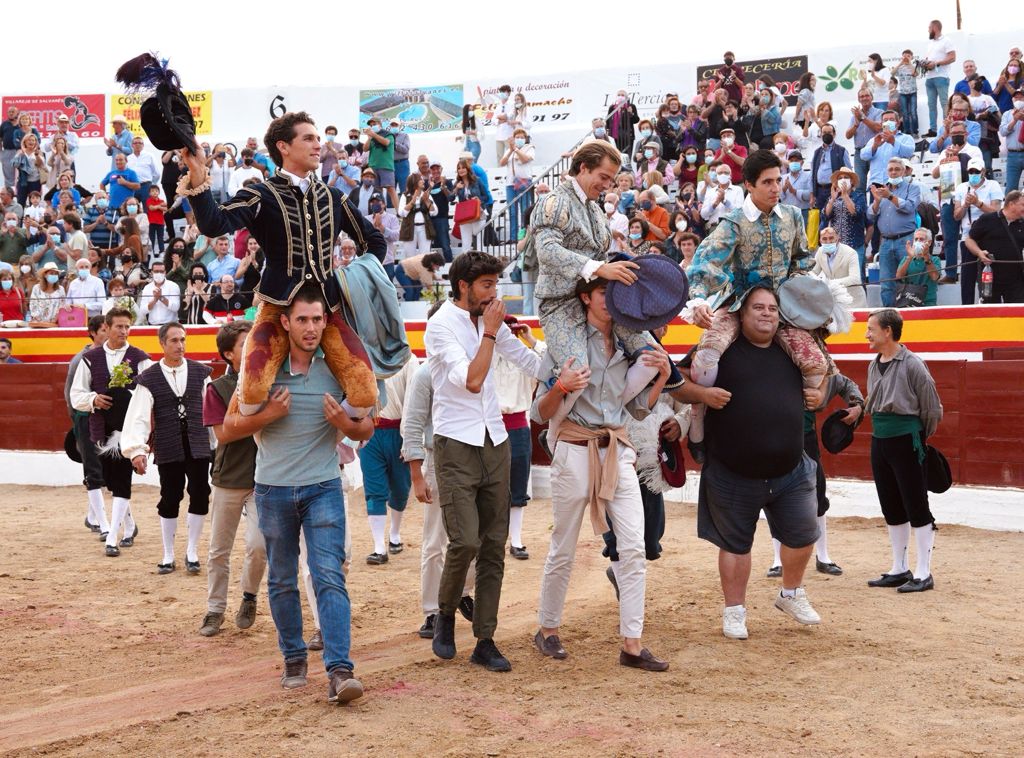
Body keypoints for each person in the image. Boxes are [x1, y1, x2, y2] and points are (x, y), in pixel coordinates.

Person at [222, 285, 373, 702]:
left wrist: (345, 423)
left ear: (326, 322)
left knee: (329, 575)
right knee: (282, 579)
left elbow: (367, 427)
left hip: (323, 486)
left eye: (317, 319)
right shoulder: (263, 371)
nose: (310, 328)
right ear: (285, 322)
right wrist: (269, 414)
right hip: (272, 489)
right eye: (302, 319)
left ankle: (340, 670)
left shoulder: (337, 370)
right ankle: (293, 657)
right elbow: (229, 428)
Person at [180, 111, 385, 417]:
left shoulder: (333, 197)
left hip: (326, 310)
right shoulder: (262, 194)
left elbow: (375, 242)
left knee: (365, 393)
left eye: (318, 138)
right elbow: (213, 223)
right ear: (283, 147)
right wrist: (197, 172)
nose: (318, 145)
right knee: (251, 394)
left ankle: (324, 436)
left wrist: (351, 280)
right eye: (309, 138)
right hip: (276, 307)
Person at [532, 276, 672, 669]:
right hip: (574, 448)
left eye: (615, 294)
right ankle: (547, 630)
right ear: (584, 298)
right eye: (602, 293)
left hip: (617, 450)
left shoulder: (630, 346)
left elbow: (637, 410)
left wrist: (662, 377)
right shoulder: (564, 345)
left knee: (634, 547)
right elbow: (538, 413)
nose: (610, 300)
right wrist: (560, 387)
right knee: (564, 546)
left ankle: (632, 644)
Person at [424, 251, 542, 672]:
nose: (495, 294)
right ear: (463, 286)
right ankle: (444, 613)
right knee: (465, 541)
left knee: (494, 544)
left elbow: (529, 362)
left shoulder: (489, 322)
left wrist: (559, 370)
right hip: (455, 442)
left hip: (495, 439)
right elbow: (472, 381)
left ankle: (485, 640)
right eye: (487, 285)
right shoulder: (441, 325)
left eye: (496, 284)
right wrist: (491, 332)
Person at [697, 286, 824, 640]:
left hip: (791, 470)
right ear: (742, 313)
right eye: (758, 307)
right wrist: (703, 394)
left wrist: (820, 394)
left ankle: (790, 593)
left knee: (804, 534)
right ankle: (734, 611)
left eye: (772, 308)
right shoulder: (722, 347)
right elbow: (682, 381)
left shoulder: (793, 348)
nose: (767, 313)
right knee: (735, 544)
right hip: (732, 470)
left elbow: (829, 381)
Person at [686, 151, 825, 463]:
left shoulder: (793, 215)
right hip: (739, 303)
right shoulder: (733, 222)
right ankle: (696, 418)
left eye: (778, 180)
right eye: (767, 182)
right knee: (708, 353)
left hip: (782, 308)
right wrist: (699, 299)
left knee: (816, 364)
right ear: (748, 185)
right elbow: (705, 263)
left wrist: (804, 289)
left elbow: (802, 259)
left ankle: (800, 428)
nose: (776, 188)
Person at [530, 141, 659, 448]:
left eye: (611, 179)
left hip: (599, 300)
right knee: (577, 373)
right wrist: (598, 268)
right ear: (583, 168)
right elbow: (546, 251)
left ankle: (611, 418)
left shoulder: (595, 209)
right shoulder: (554, 202)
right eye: (603, 176)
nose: (606, 185)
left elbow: (604, 259)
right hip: (560, 304)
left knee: (653, 356)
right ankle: (556, 433)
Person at [401, 326, 476, 640]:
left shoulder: (473, 367)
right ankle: (432, 610)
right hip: (438, 458)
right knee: (435, 539)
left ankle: (463, 591)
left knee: (475, 534)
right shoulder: (425, 374)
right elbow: (412, 424)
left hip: (474, 457)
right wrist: (417, 476)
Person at [121, 322, 212, 574]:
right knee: (170, 496)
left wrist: (217, 444)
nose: (180, 345)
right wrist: (137, 450)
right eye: (174, 340)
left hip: (198, 443)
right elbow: (138, 416)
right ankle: (168, 553)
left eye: (183, 340)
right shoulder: (149, 377)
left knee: (200, 493)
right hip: (168, 443)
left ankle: (192, 551)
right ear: (162, 343)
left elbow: (211, 410)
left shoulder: (201, 372)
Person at [864, 308, 943, 593]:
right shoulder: (874, 365)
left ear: (887, 331)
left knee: (915, 503)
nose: (867, 335)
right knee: (891, 505)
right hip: (880, 439)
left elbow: (932, 409)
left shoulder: (913, 364)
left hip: (907, 440)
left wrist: (917, 438)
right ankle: (899, 568)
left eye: (871, 329)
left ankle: (924, 572)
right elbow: (872, 402)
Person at [198, 321, 268, 637]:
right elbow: (223, 434)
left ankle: (249, 596)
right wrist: (268, 416)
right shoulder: (217, 388)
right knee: (219, 549)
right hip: (228, 477)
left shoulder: (269, 380)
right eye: (244, 344)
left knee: (259, 545)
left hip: (264, 477)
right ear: (228, 354)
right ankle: (215, 609)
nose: (252, 347)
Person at [766, 369, 864, 577]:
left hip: (806, 437)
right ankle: (778, 560)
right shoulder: (774, 361)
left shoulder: (817, 366)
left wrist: (857, 406)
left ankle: (823, 556)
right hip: (775, 437)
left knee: (817, 494)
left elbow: (845, 383)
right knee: (774, 495)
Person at [70, 307, 152, 556]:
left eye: (127, 326)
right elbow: (76, 395)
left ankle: (112, 538)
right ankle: (130, 525)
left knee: (122, 479)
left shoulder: (140, 358)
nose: (124, 331)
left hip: (129, 429)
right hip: (101, 427)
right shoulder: (90, 358)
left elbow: (150, 393)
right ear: (106, 327)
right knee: (112, 480)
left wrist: (132, 398)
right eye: (119, 326)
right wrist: (93, 399)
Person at [358, 355, 418, 565]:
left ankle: (394, 533)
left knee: (401, 488)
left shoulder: (408, 360)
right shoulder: (363, 355)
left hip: (398, 431)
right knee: (374, 489)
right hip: (370, 430)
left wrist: (408, 438)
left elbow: (412, 401)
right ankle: (379, 547)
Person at [494, 319, 545, 559]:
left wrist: (531, 339)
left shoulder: (525, 357)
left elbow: (549, 365)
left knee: (518, 484)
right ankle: (495, 538)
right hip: (491, 425)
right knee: (490, 485)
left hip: (517, 425)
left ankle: (516, 539)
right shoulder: (485, 353)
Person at [65, 315, 113, 535]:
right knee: (94, 468)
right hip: (86, 417)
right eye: (103, 330)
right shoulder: (80, 359)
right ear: (93, 333)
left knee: (104, 468)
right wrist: (77, 421)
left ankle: (93, 516)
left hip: (107, 420)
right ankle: (99, 521)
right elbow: (70, 394)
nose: (108, 334)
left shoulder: (111, 355)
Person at [867, 157, 922, 307]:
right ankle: (888, 314)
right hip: (885, 242)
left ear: (903, 171)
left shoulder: (912, 188)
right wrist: (877, 201)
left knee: (909, 279)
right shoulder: (882, 191)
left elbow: (910, 207)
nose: (893, 172)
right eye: (890, 169)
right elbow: (870, 216)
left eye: (897, 169)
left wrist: (890, 197)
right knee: (886, 282)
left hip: (906, 240)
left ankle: (909, 312)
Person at [952, 158, 1004, 302]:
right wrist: (965, 205)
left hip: (989, 236)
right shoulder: (961, 187)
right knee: (967, 277)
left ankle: (990, 306)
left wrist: (978, 203)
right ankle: (967, 307)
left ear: (983, 172)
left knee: (991, 275)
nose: (973, 174)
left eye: (976, 171)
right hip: (968, 236)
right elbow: (956, 216)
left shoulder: (993, 185)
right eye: (971, 171)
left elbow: (997, 212)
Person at [963, 189, 1024, 303]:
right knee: (990, 311)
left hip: (1016, 280)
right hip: (989, 277)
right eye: (1023, 205)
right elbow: (969, 240)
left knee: (1017, 312)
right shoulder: (987, 219)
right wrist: (979, 253)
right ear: (1011, 204)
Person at [823, 167, 869, 280]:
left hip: (855, 245)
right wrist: (832, 199)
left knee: (856, 278)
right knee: (838, 277)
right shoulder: (833, 197)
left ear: (851, 181)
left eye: (846, 177)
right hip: (837, 246)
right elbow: (826, 216)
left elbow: (856, 213)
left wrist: (845, 196)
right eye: (840, 178)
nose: (843, 180)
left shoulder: (859, 196)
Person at [813, 226, 867, 307]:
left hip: (854, 301)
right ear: (820, 240)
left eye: (831, 238)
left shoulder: (851, 253)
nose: (828, 242)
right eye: (824, 239)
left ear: (838, 238)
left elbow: (855, 279)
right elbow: (814, 272)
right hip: (834, 301)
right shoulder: (820, 251)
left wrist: (830, 283)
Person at [922, 20, 957, 137]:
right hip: (930, 77)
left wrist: (936, 63)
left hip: (941, 77)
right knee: (931, 105)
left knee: (944, 104)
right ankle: (933, 130)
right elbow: (930, 59)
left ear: (934, 28)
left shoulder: (946, 40)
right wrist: (925, 64)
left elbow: (953, 57)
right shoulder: (930, 43)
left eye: (929, 28)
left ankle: (946, 129)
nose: (928, 30)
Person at [499, 128, 535, 243]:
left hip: (524, 184)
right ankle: (513, 237)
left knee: (525, 210)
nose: (519, 139)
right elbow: (502, 163)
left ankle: (524, 236)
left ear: (525, 139)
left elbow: (525, 159)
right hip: (510, 184)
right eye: (517, 137)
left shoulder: (529, 148)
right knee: (512, 212)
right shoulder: (509, 150)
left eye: (522, 137)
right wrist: (511, 150)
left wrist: (516, 150)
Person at [894, 228, 942, 306]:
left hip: (927, 302)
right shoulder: (906, 259)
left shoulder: (935, 259)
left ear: (929, 242)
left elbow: (935, 277)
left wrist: (926, 257)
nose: (918, 241)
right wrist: (909, 257)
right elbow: (898, 276)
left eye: (921, 239)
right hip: (908, 301)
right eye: (916, 239)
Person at [810, 124, 852, 212]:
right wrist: (812, 194)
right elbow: (812, 174)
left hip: (836, 190)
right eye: (824, 132)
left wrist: (846, 192)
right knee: (822, 217)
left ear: (834, 134)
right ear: (821, 134)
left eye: (829, 132)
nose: (826, 134)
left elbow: (849, 172)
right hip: (819, 191)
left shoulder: (841, 151)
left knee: (835, 215)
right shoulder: (817, 152)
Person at [452, 159, 487, 255]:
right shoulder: (457, 183)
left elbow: (486, 196)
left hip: (477, 213)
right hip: (465, 216)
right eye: (459, 168)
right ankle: (466, 263)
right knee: (466, 243)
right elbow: (450, 198)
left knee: (479, 243)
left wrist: (478, 199)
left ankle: (481, 262)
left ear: (468, 168)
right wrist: (456, 188)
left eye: (463, 167)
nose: (461, 170)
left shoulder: (477, 180)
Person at [364, 118, 398, 211]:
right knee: (377, 191)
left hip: (386, 166)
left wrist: (373, 135)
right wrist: (369, 138)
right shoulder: (372, 137)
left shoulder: (388, 134)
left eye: (374, 124)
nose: (372, 126)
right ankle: (380, 212)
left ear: (380, 124)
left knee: (390, 189)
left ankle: (399, 212)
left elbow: (386, 142)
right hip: (373, 166)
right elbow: (365, 149)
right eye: (371, 125)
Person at [398, 174, 437, 256]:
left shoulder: (426, 194)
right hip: (409, 229)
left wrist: (427, 201)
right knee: (409, 256)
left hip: (424, 228)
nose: (423, 181)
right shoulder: (405, 196)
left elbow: (434, 212)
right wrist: (413, 200)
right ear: (414, 181)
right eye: (421, 179)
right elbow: (401, 213)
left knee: (425, 256)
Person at [700, 162, 745, 227]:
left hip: (731, 227)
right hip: (713, 227)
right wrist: (714, 204)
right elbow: (703, 215)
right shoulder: (710, 192)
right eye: (720, 173)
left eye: (726, 173)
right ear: (717, 176)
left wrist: (725, 201)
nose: (723, 175)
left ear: (730, 176)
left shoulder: (738, 190)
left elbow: (740, 213)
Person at [138, 260, 181, 325]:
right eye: (156, 271)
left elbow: (176, 307)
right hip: (153, 326)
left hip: (170, 325)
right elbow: (143, 310)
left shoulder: (173, 286)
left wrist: (161, 298)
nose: (159, 273)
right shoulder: (147, 288)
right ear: (151, 273)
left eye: (161, 271)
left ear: (165, 272)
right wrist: (154, 300)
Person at [999, 89, 1024, 193]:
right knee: (1011, 188)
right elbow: (1002, 132)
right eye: (1016, 97)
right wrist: (1014, 120)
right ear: (1012, 100)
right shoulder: (1007, 114)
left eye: (1021, 97)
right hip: (1013, 155)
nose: (1018, 99)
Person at [428, 161, 454, 261]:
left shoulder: (447, 182)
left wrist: (443, 186)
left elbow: (451, 198)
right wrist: (430, 186)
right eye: (433, 169)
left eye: (437, 168)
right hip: (429, 219)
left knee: (445, 245)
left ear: (441, 169)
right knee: (431, 246)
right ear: (430, 171)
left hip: (442, 218)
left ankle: (450, 265)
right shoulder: (427, 183)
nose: (435, 171)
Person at [27, 262, 64, 326]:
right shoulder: (36, 288)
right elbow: (33, 305)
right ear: (45, 275)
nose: (54, 275)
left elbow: (62, 306)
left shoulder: (61, 289)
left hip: (54, 324)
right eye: (51, 273)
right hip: (38, 324)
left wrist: (54, 320)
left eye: (56, 274)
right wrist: (39, 321)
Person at [606, 90, 639, 161]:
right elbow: (608, 121)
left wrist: (631, 113)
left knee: (626, 158)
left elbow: (636, 120)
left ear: (626, 97)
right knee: (615, 158)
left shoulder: (631, 106)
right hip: (614, 137)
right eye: (619, 95)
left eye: (622, 95)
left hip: (627, 137)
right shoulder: (612, 107)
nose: (620, 96)